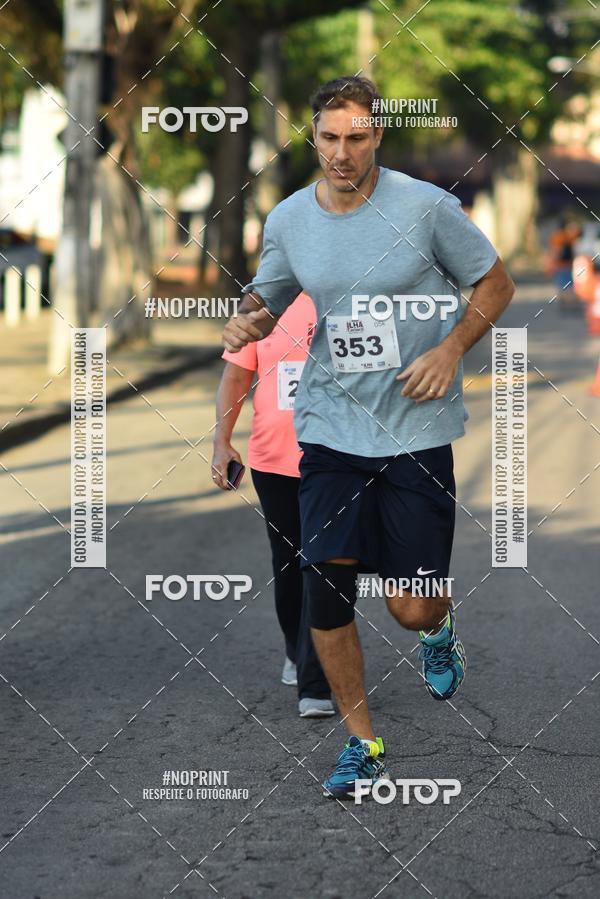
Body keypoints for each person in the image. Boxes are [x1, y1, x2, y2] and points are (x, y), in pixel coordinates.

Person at [222, 75, 515, 798]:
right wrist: (247, 318)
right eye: (329, 138)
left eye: (357, 138)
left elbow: (496, 284)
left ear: (377, 134)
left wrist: (450, 349)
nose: (342, 153)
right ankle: (364, 740)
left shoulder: (425, 209)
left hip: (415, 430)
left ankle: (436, 629)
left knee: (410, 603)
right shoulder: (290, 218)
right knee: (327, 587)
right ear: (313, 137)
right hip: (329, 430)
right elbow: (272, 290)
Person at [212, 291, 334, 718]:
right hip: (275, 461)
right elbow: (236, 376)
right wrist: (221, 442)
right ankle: (295, 646)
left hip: (340, 459)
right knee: (289, 562)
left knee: (326, 562)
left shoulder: (355, 288)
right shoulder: (262, 302)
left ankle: (315, 678)